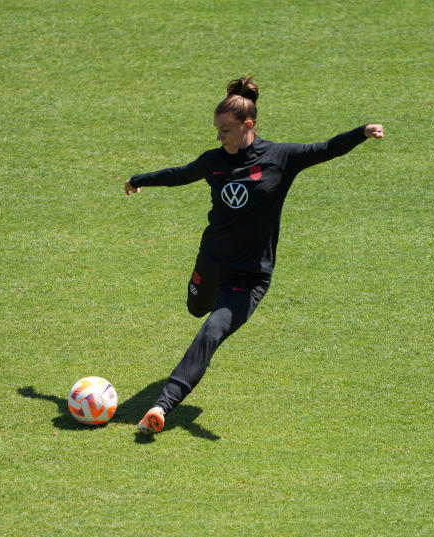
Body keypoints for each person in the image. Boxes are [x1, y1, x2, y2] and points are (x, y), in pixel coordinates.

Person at [124, 75, 384, 436]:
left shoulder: (281, 158)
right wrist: (140, 179)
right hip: (212, 261)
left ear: (248, 125)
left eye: (225, 130)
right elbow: (180, 175)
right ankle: (198, 297)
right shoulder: (214, 161)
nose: (219, 137)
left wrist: (362, 132)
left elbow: (326, 148)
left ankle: (161, 406)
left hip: (250, 277)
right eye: (217, 129)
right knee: (196, 307)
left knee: (211, 330)